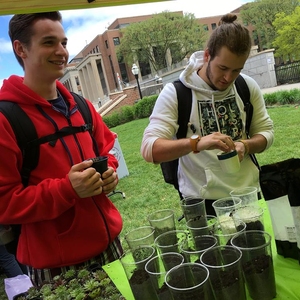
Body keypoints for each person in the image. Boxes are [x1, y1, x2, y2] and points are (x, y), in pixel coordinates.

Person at [0, 12, 123, 286]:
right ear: (20, 49)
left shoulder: (81, 106)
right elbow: (4, 203)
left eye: (63, 42)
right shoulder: (5, 120)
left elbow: (108, 153)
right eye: (48, 42)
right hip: (58, 266)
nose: (61, 52)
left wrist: (109, 174)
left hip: (110, 245)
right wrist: (67, 189)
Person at [141, 13, 274, 215]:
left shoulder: (246, 85)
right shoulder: (177, 93)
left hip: (248, 195)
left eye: (237, 70)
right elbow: (149, 149)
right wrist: (197, 143)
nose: (228, 77)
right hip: (201, 204)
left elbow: (266, 133)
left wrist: (245, 146)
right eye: (223, 68)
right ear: (206, 56)